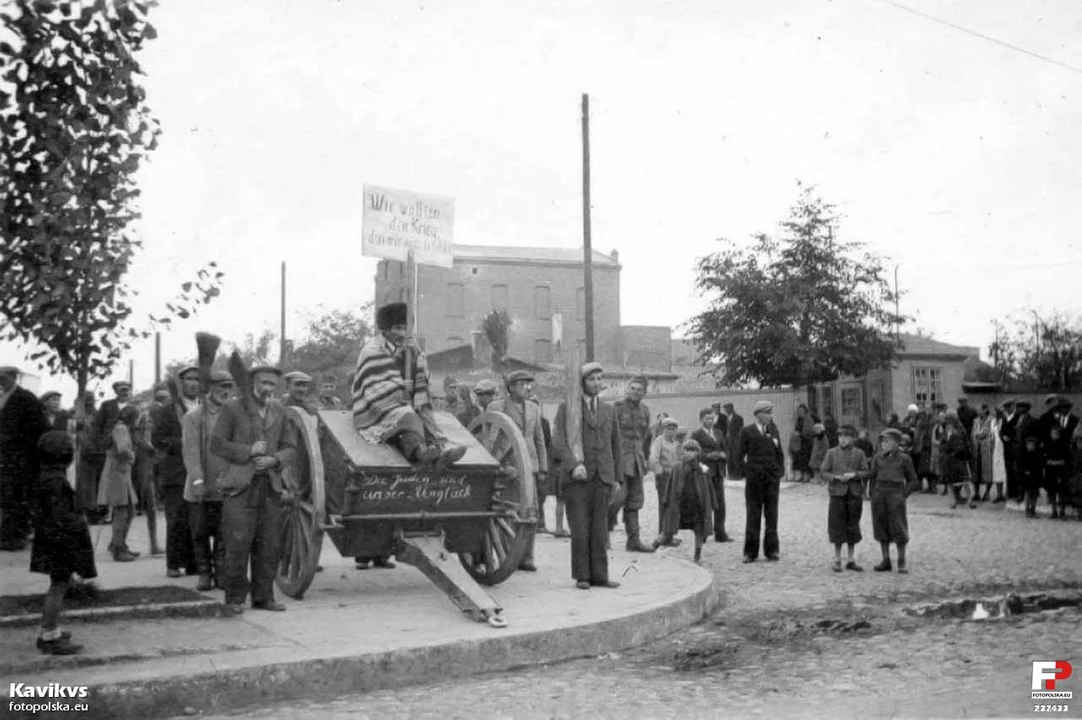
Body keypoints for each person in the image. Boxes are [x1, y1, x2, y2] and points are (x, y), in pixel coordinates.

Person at [211, 364, 297, 614]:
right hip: (239, 487)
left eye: (272, 384)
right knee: (238, 545)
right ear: (251, 384)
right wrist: (248, 451)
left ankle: (263, 598)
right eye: (263, 383)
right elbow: (216, 444)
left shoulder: (280, 411)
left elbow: (290, 447)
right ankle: (235, 598)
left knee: (269, 546)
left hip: (269, 486)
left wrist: (275, 460)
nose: (268, 388)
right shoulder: (232, 409)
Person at [352, 302, 466, 468]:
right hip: (376, 407)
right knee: (408, 417)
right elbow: (375, 384)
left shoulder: (411, 348)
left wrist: (413, 356)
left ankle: (438, 455)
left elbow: (422, 377)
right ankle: (421, 454)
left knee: (423, 417)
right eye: (397, 328)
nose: (402, 333)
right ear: (386, 329)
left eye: (405, 328)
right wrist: (400, 398)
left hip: (407, 404)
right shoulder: (372, 350)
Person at [552, 362, 622, 590]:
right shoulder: (568, 408)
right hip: (577, 480)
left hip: (602, 477)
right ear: (582, 382)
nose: (597, 383)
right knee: (580, 529)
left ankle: (600, 575)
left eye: (600, 378)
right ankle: (582, 576)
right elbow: (559, 442)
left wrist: (617, 478)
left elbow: (616, 445)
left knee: (600, 530)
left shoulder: (608, 410)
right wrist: (573, 466)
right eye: (592, 379)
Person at [29, 431, 97, 655]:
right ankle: (49, 634)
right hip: (60, 543)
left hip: (50, 540)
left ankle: (51, 630)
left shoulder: (46, 477)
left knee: (58, 585)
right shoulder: (57, 482)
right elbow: (62, 517)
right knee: (58, 587)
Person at [486, 370, 547, 571]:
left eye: (528, 384)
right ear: (511, 387)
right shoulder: (496, 406)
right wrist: (499, 465)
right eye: (522, 384)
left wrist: (542, 468)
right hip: (508, 466)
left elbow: (539, 439)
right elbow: (491, 439)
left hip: (529, 467)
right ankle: (508, 557)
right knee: (507, 514)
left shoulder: (533, 408)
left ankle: (527, 558)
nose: (527, 388)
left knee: (530, 513)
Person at [183, 370, 234, 591]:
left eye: (229, 387)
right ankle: (205, 573)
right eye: (220, 386)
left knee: (224, 533)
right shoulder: (194, 416)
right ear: (210, 388)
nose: (225, 391)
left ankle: (221, 573)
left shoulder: (234, 414)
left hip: (227, 485)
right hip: (200, 486)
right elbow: (191, 451)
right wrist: (197, 481)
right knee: (200, 532)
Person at [153, 367, 201, 578]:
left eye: (197, 380)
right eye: (189, 379)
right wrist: (183, 442)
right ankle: (173, 564)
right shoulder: (167, 410)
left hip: (199, 471)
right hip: (176, 473)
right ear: (181, 383)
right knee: (177, 520)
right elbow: (158, 439)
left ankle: (193, 564)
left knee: (197, 520)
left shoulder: (206, 407)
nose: (193, 383)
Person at [0, 366, 51, 550]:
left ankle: (15, 536)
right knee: (9, 496)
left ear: (14, 377)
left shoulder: (25, 398)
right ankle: (10, 534)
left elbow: (41, 427)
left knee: (19, 495)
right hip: (7, 456)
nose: (1, 381)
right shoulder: (3, 397)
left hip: (23, 457)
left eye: (4, 378)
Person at [653, 439, 717, 563]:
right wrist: (665, 501)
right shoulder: (677, 468)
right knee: (668, 530)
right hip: (680, 505)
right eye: (687, 450)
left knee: (699, 530)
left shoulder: (703, 470)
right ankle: (652, 548)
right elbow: (670, 485)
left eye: (692, 450)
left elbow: (709, 488)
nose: (689, 453)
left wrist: (713, 503)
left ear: (698, 452)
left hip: (697, 506)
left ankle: (697, 556)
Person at [611, 376, 656, 553]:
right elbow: (610, 434)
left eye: (640, 389)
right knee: (617, 498)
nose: (636, 392)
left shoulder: (645, 410)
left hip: (636, 461)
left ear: (644, 393)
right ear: (626, 389)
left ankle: (634, 540)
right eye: (633, 388)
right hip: (619, 459)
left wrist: (643, 457)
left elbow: (644, 437)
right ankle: (602, 537)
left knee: (635, 500)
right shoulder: (616, 408)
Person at [738, 400, 784, 563]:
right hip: (754, 481)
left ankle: (772, 550)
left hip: (771, 480)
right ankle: (750, 552)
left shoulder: (773, 430)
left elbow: (779, 453)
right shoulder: (747, 431)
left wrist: (778, 472)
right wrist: (747, 472)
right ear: (758, 414)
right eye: (767, 413)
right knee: (753, 514)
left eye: (771, 413)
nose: (770, 416)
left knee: (772, 515)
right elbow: (738, 455)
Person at [820, 425, 870, 573]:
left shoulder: (859, 454)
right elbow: (823, 472)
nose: (843, 440)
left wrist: (854, 475)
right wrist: (835, 477)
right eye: (840, 437)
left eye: (846, 437)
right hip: (837, 493)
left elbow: (866, 471)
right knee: (837, 525)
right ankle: (837, 559)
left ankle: (851, 559)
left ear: (853, 439)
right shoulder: (832, 453)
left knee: (852, 524)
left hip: (854, 494)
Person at [868, 428, 916, 573]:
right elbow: (873, 476)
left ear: (896, 443)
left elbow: (913, 481)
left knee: (898, 528)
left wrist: (903, 495)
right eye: (883, 441)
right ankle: (885, 560)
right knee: (881, 527)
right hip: (879, 495)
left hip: (895, 496)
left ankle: (901, 561)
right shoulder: (877, 458)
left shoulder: (904, 459)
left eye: (888, 441)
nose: (884, 444)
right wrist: (872, 495)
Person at [98, 404, 141, 561]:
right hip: (117, 473)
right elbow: (122, 449)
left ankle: (118, 543)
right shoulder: (121, 429)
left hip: (121, 473)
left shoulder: (120, 428)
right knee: (122, 511)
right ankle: (118, 548)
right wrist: (132, 456)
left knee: (129, 511)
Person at [692, 407, 730, 542]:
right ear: (701, 419)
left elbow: (725, 448)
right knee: (705, 503)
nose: (710, 421)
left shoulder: (718, 432)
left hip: (718, 471)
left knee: (720, 503)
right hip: (705, 472)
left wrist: (723, 455)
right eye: (707, 418)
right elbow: (693, 452)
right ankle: (703, 532)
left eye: (712, 418)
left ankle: (720, 532)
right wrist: (708, 455)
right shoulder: (696, 434)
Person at [131, 402, 163, 556]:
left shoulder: (149, 438)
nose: (148, 424)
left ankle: (154, 544)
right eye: (145, 421)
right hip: (142, 477)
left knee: (151, 510)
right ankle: (153, 545)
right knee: (147, 509)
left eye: (149, 421)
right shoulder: (139, 439)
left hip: (149, 476)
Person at [648, 417, 683, 542]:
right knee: (664, 505)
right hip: (664, 477)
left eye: (673, 429)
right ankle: (663, 535)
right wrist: (660, 472)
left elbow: (680, 458)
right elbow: (653, 459)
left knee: (673, 506)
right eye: (668, 429)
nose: (671, 431)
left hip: (675, 477)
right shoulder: (659, 441)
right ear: (663, 429)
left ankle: (670, 534)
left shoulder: (677, 443)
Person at [939, 413, 975, 510]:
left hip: (959, 459)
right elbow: (942, 446)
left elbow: (964, 445)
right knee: (950, 482)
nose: (948, 425)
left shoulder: (959, 431)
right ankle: (953, 501)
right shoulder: (945, 434)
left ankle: (970, 500)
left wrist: (956, 452)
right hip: (949, 461)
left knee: (965, 481)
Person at [998, 399, 1022, 502]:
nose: (1009, 409)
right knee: (1009, 470)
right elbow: (1001, 431)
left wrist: (1010, 438)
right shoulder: (1004, 419)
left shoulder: (1017, 418)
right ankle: (1011, 492)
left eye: (1011, 407)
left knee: (1016, 470)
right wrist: (1003, 437)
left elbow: (1017, 432)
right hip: (1007, 448)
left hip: (1015, 447)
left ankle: (1018, 493)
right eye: (1008, 408)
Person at [971, 403, 994, 502]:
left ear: (985, 410)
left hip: (987, 449)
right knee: (976, 472)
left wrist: (977, 434)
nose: (978, 411)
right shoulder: (976, 420)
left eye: (979, 409)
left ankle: (987, 493)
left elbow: (985, 433)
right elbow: (973, 433)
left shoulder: (991, 420)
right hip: (976, 448)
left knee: (988, 472)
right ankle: (976, 493)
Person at [1018, 434, 1044, 518]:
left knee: (1035, 494)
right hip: (1026, 477)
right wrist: (1024, 471)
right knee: (1028, 493)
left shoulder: (1038, 453)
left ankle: (1033, 509)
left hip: (1035, 476)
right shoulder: (1023, 453)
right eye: (1028, 444)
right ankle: (1027, 510)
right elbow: (1020, 464)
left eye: (1032, 445)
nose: (1030, 446)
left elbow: (1041, 464)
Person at [988, 405, 1008, 503]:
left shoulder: (1005, 421)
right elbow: (992, 437)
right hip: (996, 449)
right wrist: (992, 449)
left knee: (1006, 471)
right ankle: (999, 494)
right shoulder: (993, 422)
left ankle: (1007, 493)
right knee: (997, 472)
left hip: (1005, 448)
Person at [791, 404, 814, 482]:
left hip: (807, 441)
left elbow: (810, 430)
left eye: (802, 410)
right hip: (799, 442)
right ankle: (801, 475)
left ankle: (808, 475)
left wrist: (800, 433)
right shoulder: (799, 419)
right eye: (799, 411)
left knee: (806, 459)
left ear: (805, 410)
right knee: (800, 460)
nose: (800, 412)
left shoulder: (808, 418)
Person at [722, 403, 744, 479]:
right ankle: (731, 475)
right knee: (729, 458)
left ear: (731, 408)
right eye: (725, 409)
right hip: (728, 440)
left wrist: (737, 440)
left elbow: (739, 430)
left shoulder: (738, 418)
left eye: (727, 408)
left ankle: (737, 475)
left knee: (736, 457)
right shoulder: (726, 419)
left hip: (735, 441)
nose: (726, 410)